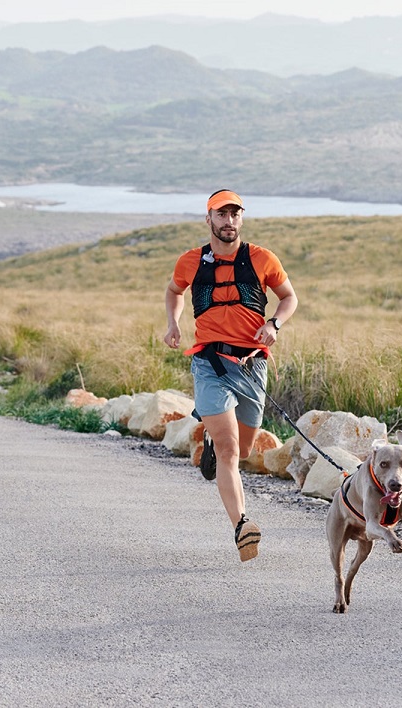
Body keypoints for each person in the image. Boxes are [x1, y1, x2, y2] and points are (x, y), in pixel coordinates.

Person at [164, 189, 298, 562]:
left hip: (251, 365)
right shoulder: (190, 262)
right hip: (209, 363)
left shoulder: (261, 258)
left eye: (235, 214)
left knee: (242, 449)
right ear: (208, 219)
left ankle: (210, 437)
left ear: (241, 218)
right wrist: (173, 324)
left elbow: (290, 298)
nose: (229, 221)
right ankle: (242, 525)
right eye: (221, 214)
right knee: (229, 450)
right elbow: (174, 290)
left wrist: (274, 323)